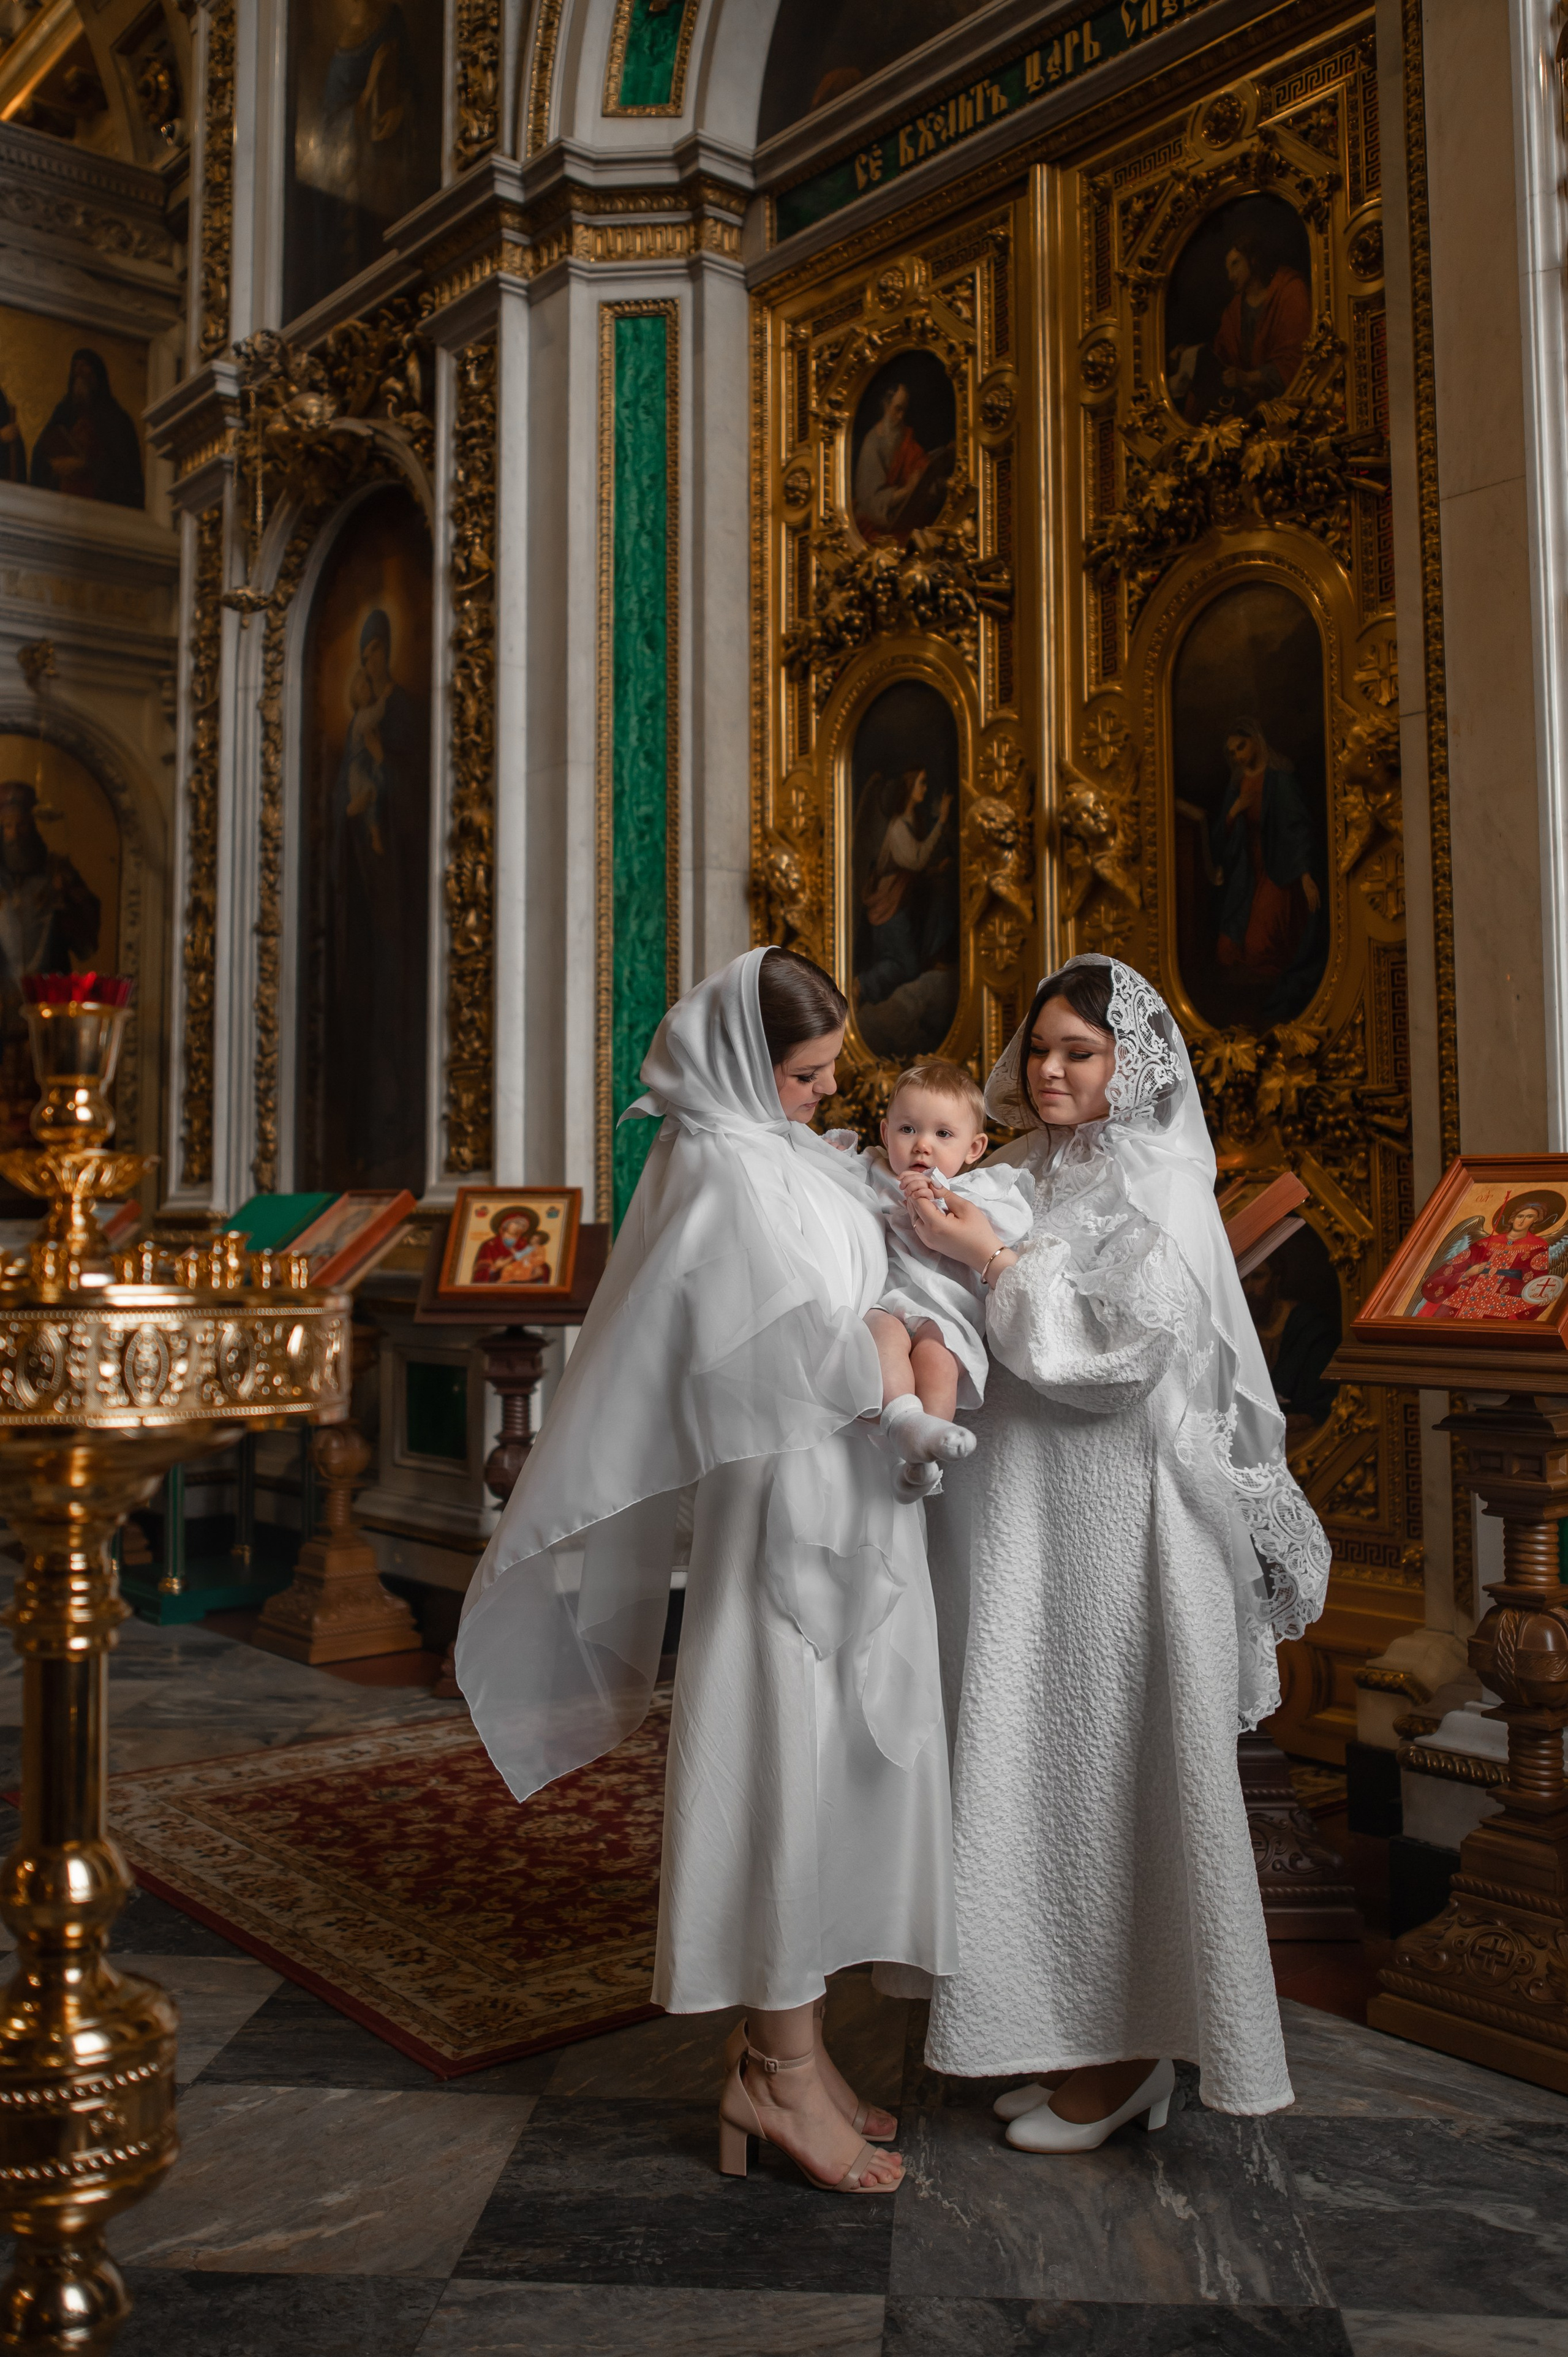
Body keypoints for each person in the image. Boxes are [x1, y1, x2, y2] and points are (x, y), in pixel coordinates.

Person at [457, 947, 956, 2194]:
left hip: (851, 1496)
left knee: (835, 1773)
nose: (825, 1094)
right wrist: (897, 1340)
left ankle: (788, 2049)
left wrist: (901, 1314)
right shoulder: (723, 1171)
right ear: (744, 1062)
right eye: (803, 1072)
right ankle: (777, 2072)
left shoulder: (779, 1153)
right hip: (785, 1517)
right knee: (783, 1768)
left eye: (834, 1069)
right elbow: (799, 1363)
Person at [908, 953, 1330, 2143]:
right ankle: (1056, 2026)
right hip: (1033, 1525)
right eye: (1037, 1047)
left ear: (1127, 1065)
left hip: (1125, 1528)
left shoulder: (1156, 1182)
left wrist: (987, 1264)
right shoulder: (1031, 1164)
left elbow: (1118, 1356)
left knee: (1122, 1776)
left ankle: (1136, 2051)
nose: (1046, 1070)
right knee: (1040, 1771)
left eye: (1074, 1053)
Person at [835, 1059, 1034, 1496]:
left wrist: (943, 1204)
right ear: (886, 1134)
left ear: (974, 1148)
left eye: (943, 1134)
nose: (923, 1145)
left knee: (939, 1363)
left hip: (944, 1314)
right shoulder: (875, 1170)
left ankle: (924, 1461)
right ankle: (905, 1422)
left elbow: (1009, 1227)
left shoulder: (978, 1190)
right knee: (881, 1339)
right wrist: (834, 1152)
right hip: (887, 1299)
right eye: (908, 1130)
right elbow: (832, 1168)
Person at [1205, 718, 1322, 1022]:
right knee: (1226, 952)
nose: (1239, 756)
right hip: (1247, 873)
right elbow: (1220, 838)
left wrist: (1306, 875)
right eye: (1233, 752)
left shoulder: (1279, 779)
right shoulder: (1238, 784)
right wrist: (1233, 813)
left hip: (1279, 869)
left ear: (1257, 739)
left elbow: (1298, 829)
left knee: (1259, 950)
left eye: (1242, 746)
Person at [1169, 225, 1312, 423]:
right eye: (1228, 268)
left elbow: (1299, 360)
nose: (1230, 276)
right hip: (1245, 412)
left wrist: (1248, 378)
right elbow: (1222, 360)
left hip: (1290, 412)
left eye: (1235, 264)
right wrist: (1192, 356)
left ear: (1253, 259)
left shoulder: (1289, 290)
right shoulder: (1233, 312)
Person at [856, 769, 954, 1011]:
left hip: (898, 901)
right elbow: (916, 861)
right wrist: (941, 821)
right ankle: (860, 985)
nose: (925, 788)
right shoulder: (899, 826)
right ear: (909, 788)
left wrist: (935, 870)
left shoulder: (912, 823)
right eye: (921, 783)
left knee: (906, 964)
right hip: (887, 904)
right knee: (904, 966)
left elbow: (914, 869)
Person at [1414, 1194, 1566, 1322]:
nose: (1522, 1220)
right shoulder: (1484, 1243)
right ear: (1512, 1219)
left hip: (1500, 1305)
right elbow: (1453, 1267)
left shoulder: (1538, 1247)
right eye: (1520, 1216)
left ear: (1535, 1221)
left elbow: (1535, 1280)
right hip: (1463, 1298)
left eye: (1529, 1217)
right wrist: (1466, 1274)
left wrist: (1541, 1297)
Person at [28, 349, 143, 508]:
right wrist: (55, 465)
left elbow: (126, 472)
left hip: (102, 508)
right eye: (75, 366)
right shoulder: (64, 412)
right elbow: (41, 453)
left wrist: (85, 465)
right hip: (61, 503)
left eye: (84, 366)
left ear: (97, 373)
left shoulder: (116, 418)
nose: (78, 371)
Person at [853, 381, 954, 542]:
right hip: (877, 525)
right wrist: (908, 490)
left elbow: (921, 471)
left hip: (905, 517)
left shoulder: (903, 437)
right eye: (897, 409)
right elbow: (872, 504)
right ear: (886, 405)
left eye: (904, 411)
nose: (901, 417)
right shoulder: (872, 444)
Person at [470, 1206, 551, 1286]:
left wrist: (538, 1268)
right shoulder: (489, 1245)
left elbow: (540, 1265)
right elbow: (480, 1272)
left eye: (523, 1226)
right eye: (517, 1223)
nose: (520, 1227)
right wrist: (494, 1268)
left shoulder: (526, 1244)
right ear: (505, 1224)